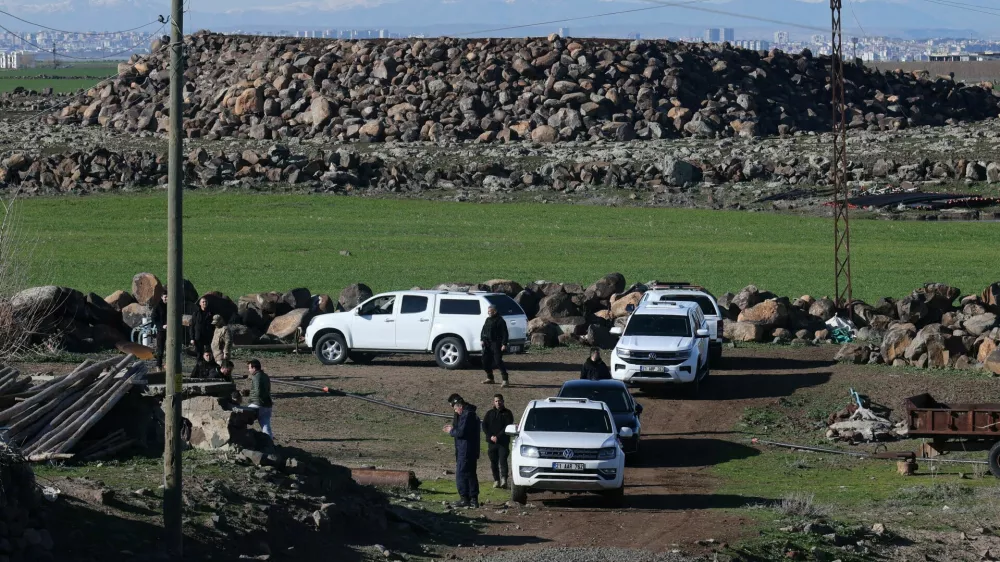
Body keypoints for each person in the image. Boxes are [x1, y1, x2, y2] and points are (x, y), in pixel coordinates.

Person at [443, 395, 480, 508]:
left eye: (455, 409)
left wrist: (451, 430)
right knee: (470, 473)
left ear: (459, 406)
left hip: (466, 449)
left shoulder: (467, 415)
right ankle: (473, 499)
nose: (455, 411)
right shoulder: (470, 414)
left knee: (461, 473)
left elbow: (461, 433)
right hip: (469, 449)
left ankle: (465, 498)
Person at [482, 393, 515, 489]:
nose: (498, 403)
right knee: (493, 462)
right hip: (492, 442)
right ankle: (496, 480)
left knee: (503, 460)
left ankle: (504, 479)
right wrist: (490, 436)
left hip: (503, 442)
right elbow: (484, 425)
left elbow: (507, 426)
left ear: (503, 401)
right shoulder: (490, 413)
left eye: (499, 401)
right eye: (496, 401)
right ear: (494, 402)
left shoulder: (507, 413)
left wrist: (498, 436)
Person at [480, 305, 510, 387]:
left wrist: (504, 344)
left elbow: (505, 333)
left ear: (495, 311)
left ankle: (505, 379)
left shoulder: (500, 320)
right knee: (485, 361)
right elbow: (483, 330)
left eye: (490, 311)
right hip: (487, 344)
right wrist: (482, 339)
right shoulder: (487, 320)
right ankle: (490, 378)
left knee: (498, 361)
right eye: (488, 311)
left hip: (496, 343)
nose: (489, 312)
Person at [247, 359, 273, 440]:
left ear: (254, 368)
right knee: (266, 426)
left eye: (249, 368)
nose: (249, 370)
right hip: (267, 404)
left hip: (257, 404)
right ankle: (269, 443)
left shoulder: (256, 377)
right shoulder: (265, 376)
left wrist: (251, 397)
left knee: (241, 418)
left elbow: (258, 392)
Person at [151, 291, 168, 370]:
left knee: (170, 348)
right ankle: (158, 365)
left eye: (168, 297)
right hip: (161, 330)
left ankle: (168, 364)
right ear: (162, 297)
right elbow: (154, 318)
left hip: (170, 330)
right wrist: (161, 326)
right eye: (165, 297)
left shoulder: (170, 305)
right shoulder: (158, 306)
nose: (167, 298)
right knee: (160, 349)